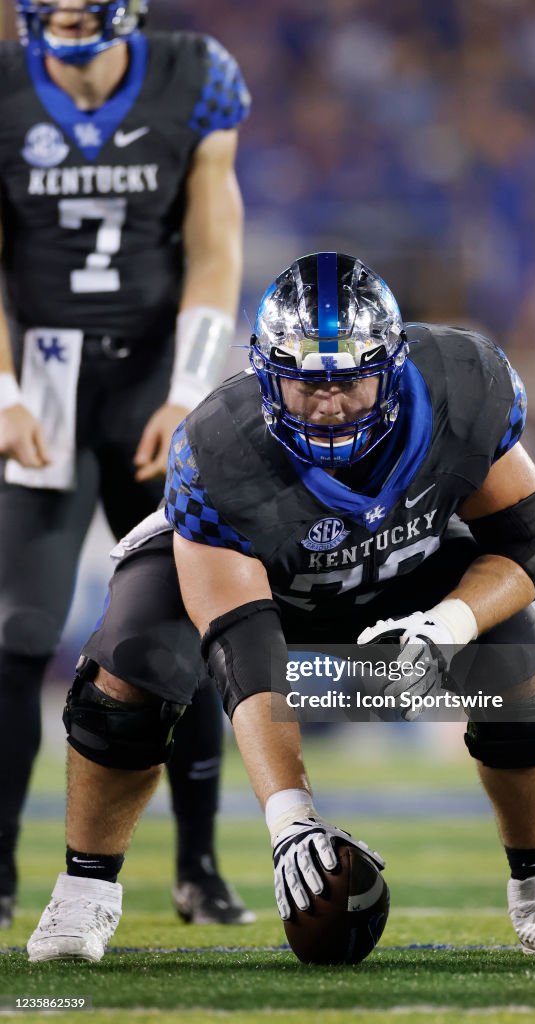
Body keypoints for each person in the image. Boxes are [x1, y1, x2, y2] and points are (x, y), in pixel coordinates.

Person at [27, 251, 535, 962]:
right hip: (260, 578)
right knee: (126, 673)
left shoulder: (463, 385)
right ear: (267, 375)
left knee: (523, 669)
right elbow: (243, 653)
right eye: (306, 384)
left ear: (393, 367)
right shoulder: (220, 449)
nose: (329, 402)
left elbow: (534, 542)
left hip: (404, 566)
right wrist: (291, 819)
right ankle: (82, 895)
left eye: (350, 379)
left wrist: (447, 623)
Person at [0, 0, 255, 927]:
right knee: (17, 634)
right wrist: (4, 396)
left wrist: (189, 390)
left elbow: (216, 244)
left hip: (156, 382)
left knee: (186, 631)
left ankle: (196, 864)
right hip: (46, 387)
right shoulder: (5, 86)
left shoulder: (194, 73)